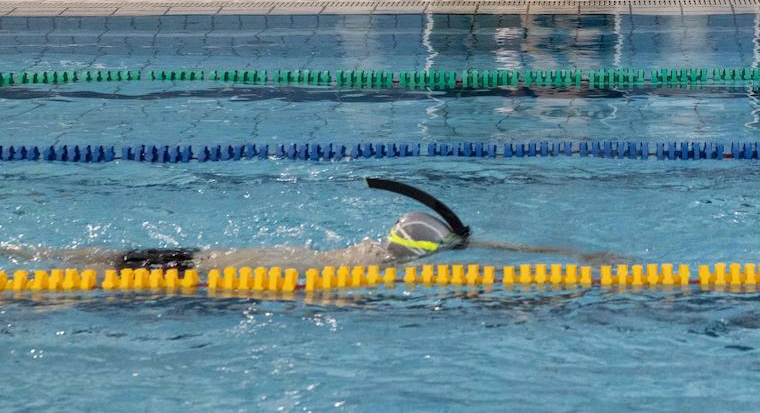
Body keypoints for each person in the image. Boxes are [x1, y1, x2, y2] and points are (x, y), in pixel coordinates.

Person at [0, 178, 620, 272]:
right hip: (239, 267)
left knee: (118, 260)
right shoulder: (357, 274)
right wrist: (584, 260)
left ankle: (29, 252)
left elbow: (473, 239)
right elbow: (475, 242)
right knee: (129, 265)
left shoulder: (364, 256)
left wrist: (574, 255)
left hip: (242, 257)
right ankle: (27, 254)